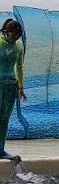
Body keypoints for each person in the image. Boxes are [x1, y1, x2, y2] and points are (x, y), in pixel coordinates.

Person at [0, 19, 25, 161]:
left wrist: (21, 86)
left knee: (4, 118)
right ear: (6, 32)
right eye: (13, 36)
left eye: (18, 36)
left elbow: (19, 67)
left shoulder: (19, 47)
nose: (15, 39)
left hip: (11, 86)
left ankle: (0, 149)